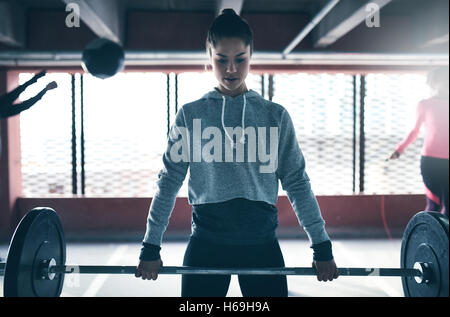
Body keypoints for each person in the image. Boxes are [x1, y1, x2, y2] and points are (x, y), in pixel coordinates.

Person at [135, 9, 338, 297]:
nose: (231, 69)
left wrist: (321, 246)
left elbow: (297, 183)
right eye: (221, 60)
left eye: (240, 59)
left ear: (251, 54)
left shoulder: (275, 116)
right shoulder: (190, 115)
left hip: (261, 247)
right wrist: (151, 246)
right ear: (209, 56)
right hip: (207, 247)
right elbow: (168, 182)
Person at [389, 66, 449, 216]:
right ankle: (428, 237)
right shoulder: (425, 105)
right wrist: (399, 150)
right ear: (433, 84)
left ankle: (444, 239)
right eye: (441, 81)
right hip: (430, 161)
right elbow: (414, 131)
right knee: (434, 204)